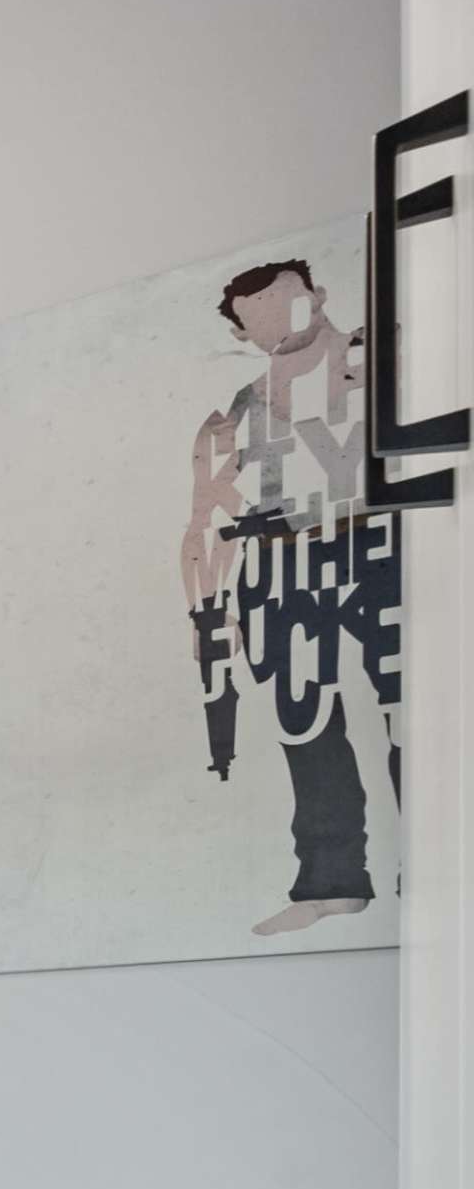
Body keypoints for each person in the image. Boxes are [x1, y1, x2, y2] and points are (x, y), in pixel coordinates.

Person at [182, 256, 403, 936]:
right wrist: (207, 606)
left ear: (321, 296)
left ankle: (441, 866)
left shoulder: (389, 358)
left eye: (291, 304)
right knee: (304, 725)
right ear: (247, 335)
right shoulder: (241, 411)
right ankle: (332, 881)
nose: (280, 325)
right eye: (261, 321)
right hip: (282, 564)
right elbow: (207, 517)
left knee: (411, 710)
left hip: (380, 545)